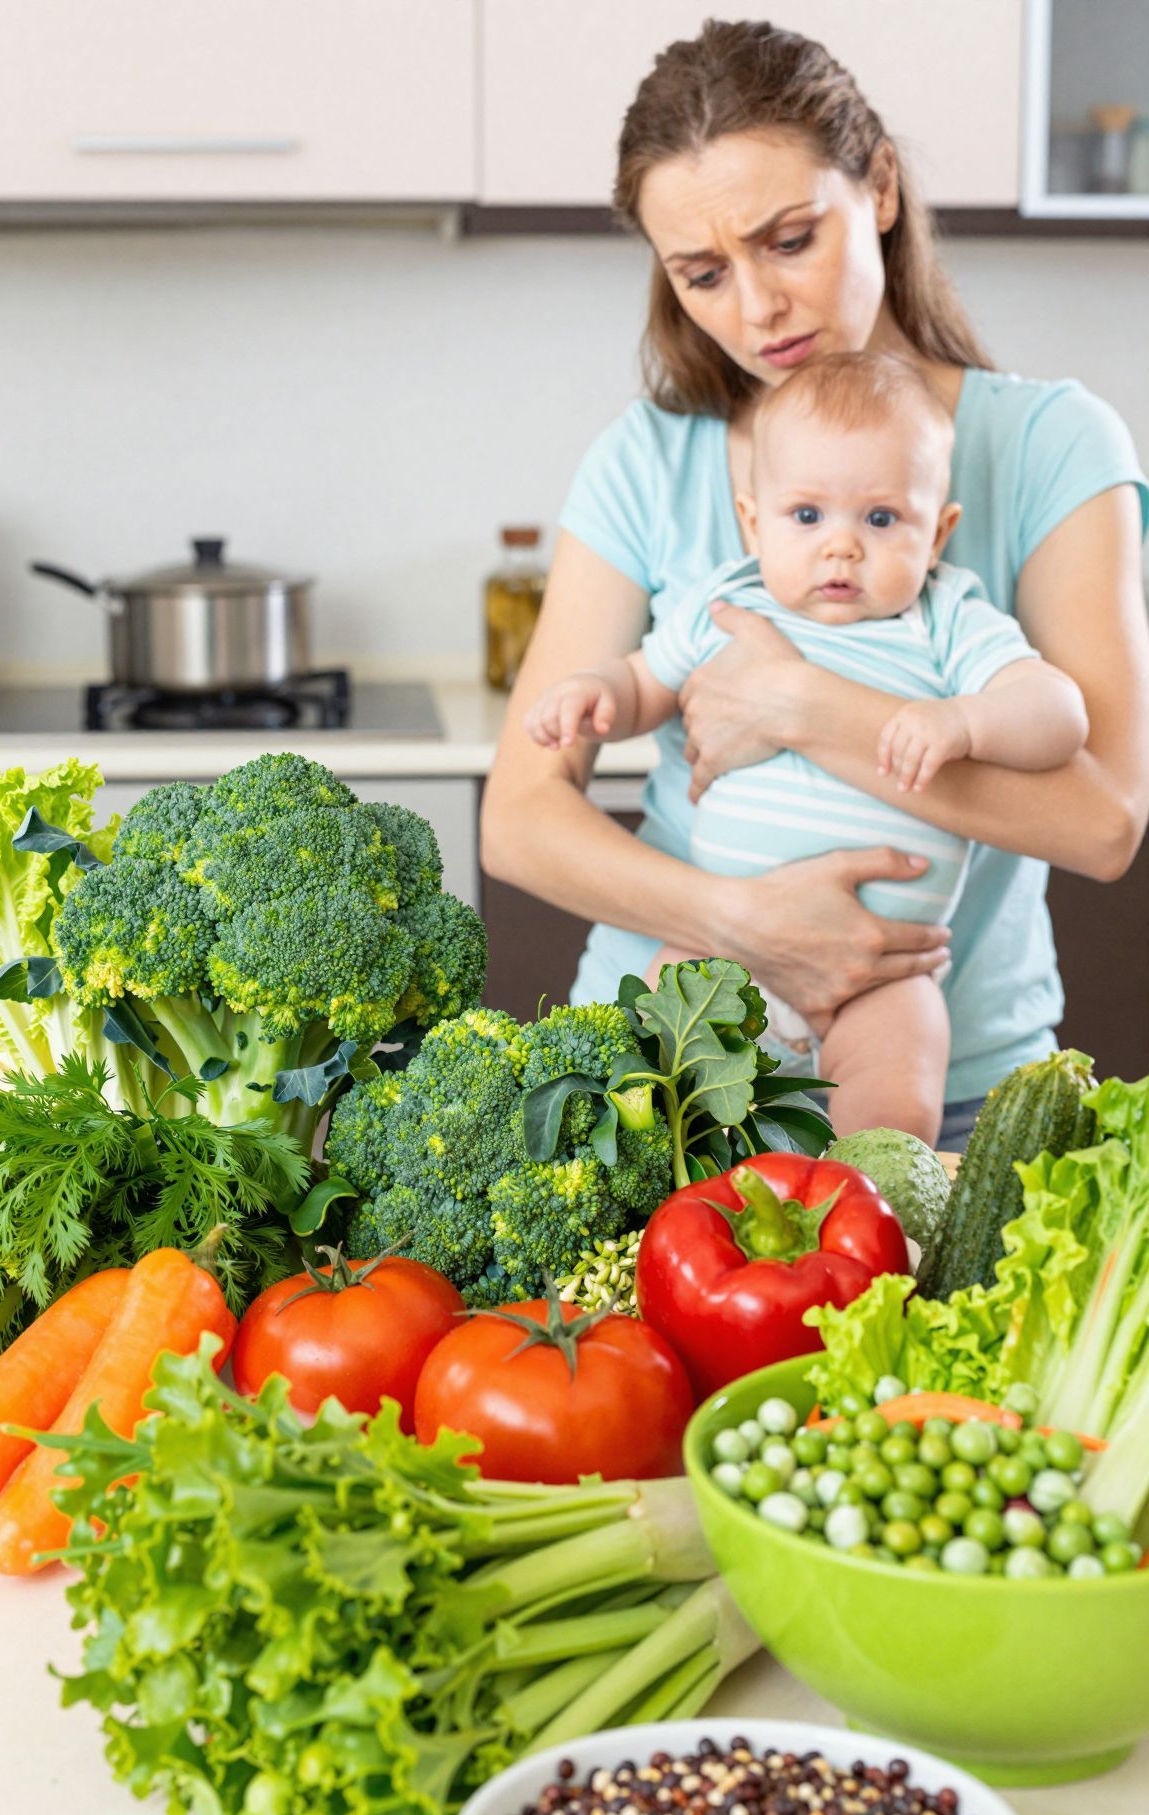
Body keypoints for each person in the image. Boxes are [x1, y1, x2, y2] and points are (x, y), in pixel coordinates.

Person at [480, 17, 1149, 1153]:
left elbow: (1103, 820)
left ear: (878, 186)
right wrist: (744, 924)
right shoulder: (650, 457)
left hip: (950, 1083)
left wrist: (800, 708)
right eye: (702, 273)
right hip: (668, 1060)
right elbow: (521, 816)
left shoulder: (1049, 444)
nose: (756, 308)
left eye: (788, 239)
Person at [524, 353, 1089, 1143]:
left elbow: (1059, 712)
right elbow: (644, 679)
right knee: (658, 1101)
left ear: (938, 533)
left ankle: (865, 1226)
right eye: (808, 516)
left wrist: (966, 722)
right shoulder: (728, 602)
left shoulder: (946, 620)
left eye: (882, 519)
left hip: (887, 977)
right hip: (716, 952)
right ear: (756, 523)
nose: (842, 548)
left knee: (893, 1120)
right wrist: (598, 697)